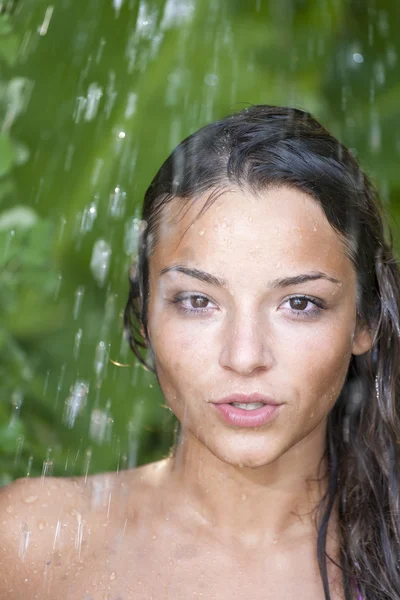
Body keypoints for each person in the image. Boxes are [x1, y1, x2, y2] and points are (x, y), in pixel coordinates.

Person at [0, 105, 399, 600]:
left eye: (299, 303)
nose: (245, 355)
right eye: (197, 301)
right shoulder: (32, 544)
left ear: (365, 319)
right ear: (146, 307)